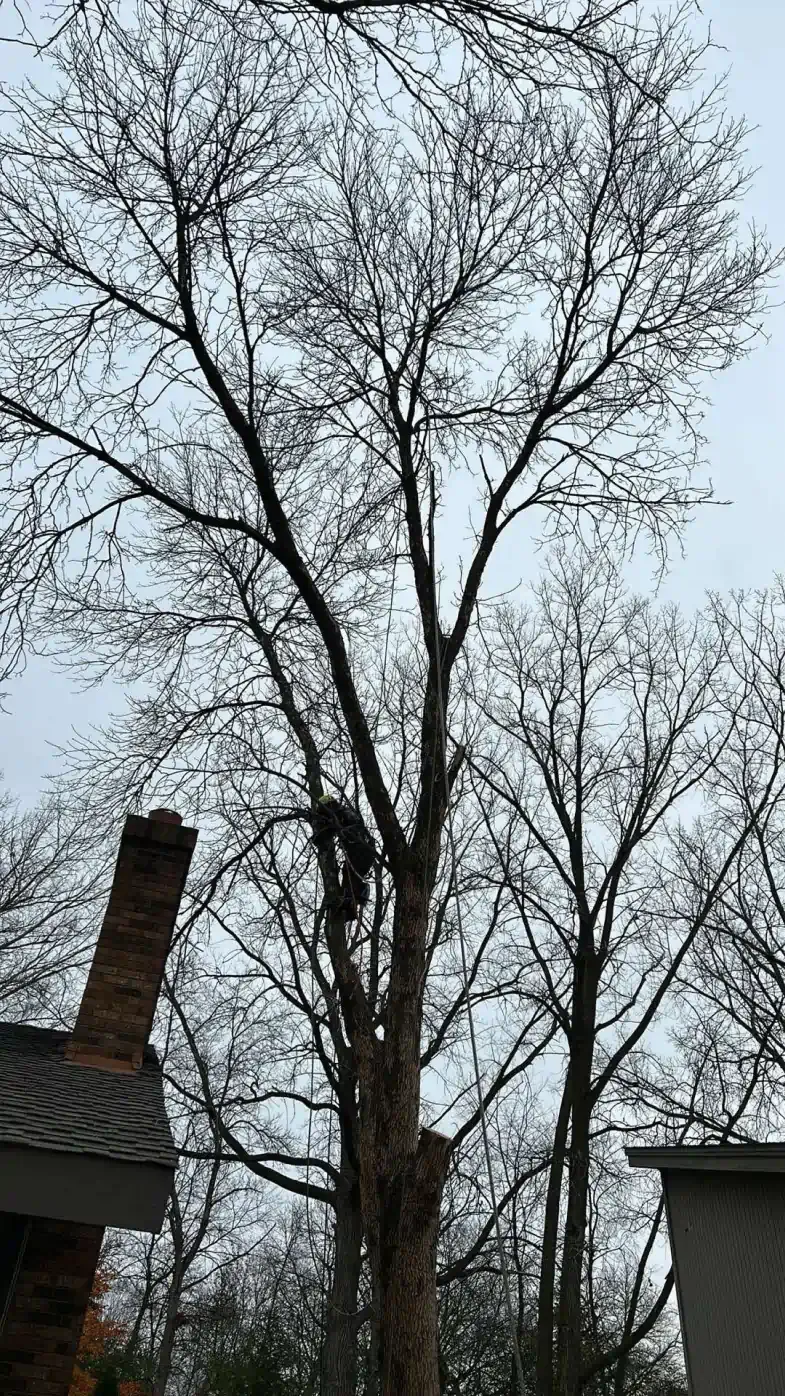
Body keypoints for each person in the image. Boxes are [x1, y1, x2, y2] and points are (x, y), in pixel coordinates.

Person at [311, 793, 376, 921]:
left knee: (349, 877)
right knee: (348, 875)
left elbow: (328, 831)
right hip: (365, 851)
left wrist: (318, 836)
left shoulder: (339, 814)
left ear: (328, 806)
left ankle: (350, 903)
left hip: (360, 850)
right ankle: (353, 903)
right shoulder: (343, 813)